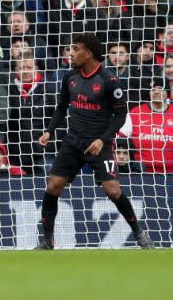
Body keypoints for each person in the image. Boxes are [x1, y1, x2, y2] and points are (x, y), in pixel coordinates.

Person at [35, 33, 153, 250]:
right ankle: (46, 240)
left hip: (99, 144)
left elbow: (120, 116)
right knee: (53, 186)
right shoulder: (69, 77)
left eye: (76, 49)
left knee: (113, 191)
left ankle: (139, 233)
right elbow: (62, 107)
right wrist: (49, 131)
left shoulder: (109, 80)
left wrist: (103, 139)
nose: (71, 53)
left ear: (88, 53)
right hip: (73, 142)